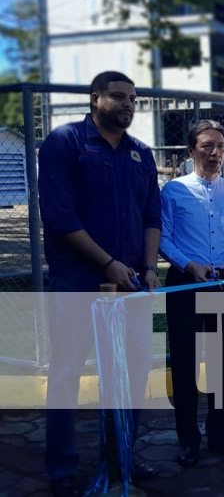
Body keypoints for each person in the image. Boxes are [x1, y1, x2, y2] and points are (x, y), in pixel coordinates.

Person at [38, 71, 161, 496]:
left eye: (133, 99)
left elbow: (151, 217)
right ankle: (61, 468)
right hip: (79, 283)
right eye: (118, 97)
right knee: (67, 373)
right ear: (95, 99)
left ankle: (120, 454)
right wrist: (107, 263)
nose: (128, 104)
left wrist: (148, 267)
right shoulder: (66, 143)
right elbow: (59, 217)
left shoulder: (140, 154)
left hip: (130, 287)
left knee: (130, 373)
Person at [159, 120, 224, 467]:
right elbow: (164, 239)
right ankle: (188, 440)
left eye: (220, 147)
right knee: (185, 363)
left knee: (221, 362)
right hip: (186, 282)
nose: (215, 154)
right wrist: (189, 265)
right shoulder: (173, 191)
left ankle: (219, 433)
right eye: (207, 147)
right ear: (191, 151)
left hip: (222, 281)